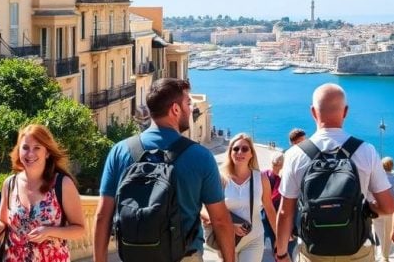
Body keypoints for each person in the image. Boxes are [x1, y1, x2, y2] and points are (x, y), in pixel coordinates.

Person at [93, 78, 237, 262]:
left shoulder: (120, 151)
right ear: (175, 109)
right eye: (188, 103)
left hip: (134, 256)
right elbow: (220, 221)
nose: (191, 108)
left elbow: (102, 216)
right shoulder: (200, 157)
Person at [274, 83, 394, 262]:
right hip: (357, 250)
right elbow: (388, 207)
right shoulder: (366, 151)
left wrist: (281, 253)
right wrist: (369, 208)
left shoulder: (295, 154)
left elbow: (285, 212)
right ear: (345, 112)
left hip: (313, 251)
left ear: (313, 112)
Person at [0, 124, 85, 262]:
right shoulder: (10, 184)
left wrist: (49, 232)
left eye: (37, 148)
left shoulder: (62, 184)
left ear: (47, 152)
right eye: (25, 148)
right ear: (19, 151)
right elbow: (2, 222)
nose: (30, 154)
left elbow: (80, 229)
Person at [203, 134, 277, 262]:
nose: (239, 152)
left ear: (251, 154)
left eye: (245, 149)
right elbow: (204, 209)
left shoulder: (261, 179)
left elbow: (269, 209)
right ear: (230, 152)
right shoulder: (220, 178)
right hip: (226, 239)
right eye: (235, 149)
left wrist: (279, 239)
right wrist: (230, 224)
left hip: (254, 240)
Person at [262, 153, 296, 259]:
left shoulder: (263, 174)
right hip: (279, 218)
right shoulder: (282, 181)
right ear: (283, 165)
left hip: (263, 217)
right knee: (284, 251)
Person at [373, 157, 394, 262]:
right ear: (392, 166)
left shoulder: (377, 179)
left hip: (378, 210)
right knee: (388, 233)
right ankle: (385, 255)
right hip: (391, 211)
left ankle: (383, 254)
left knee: (379, 233)